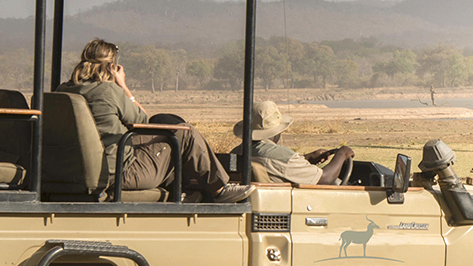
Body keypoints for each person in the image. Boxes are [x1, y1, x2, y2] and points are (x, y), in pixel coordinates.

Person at [58, 39, 248, 203]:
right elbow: (143, 121)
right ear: (110, 67)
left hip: (74, 170)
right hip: (117, 174)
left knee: (163, 141)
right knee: (183, 133)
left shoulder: (63, 91)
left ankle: (182, 193)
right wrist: (123, 86)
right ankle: (219, 190)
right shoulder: (109, 91)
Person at [235, 100, 353, 185]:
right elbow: (326, 178)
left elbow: (277, 167)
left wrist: (305, 158)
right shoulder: (281, 155)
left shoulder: (237, 152)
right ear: (277, 132)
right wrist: (342, 154)